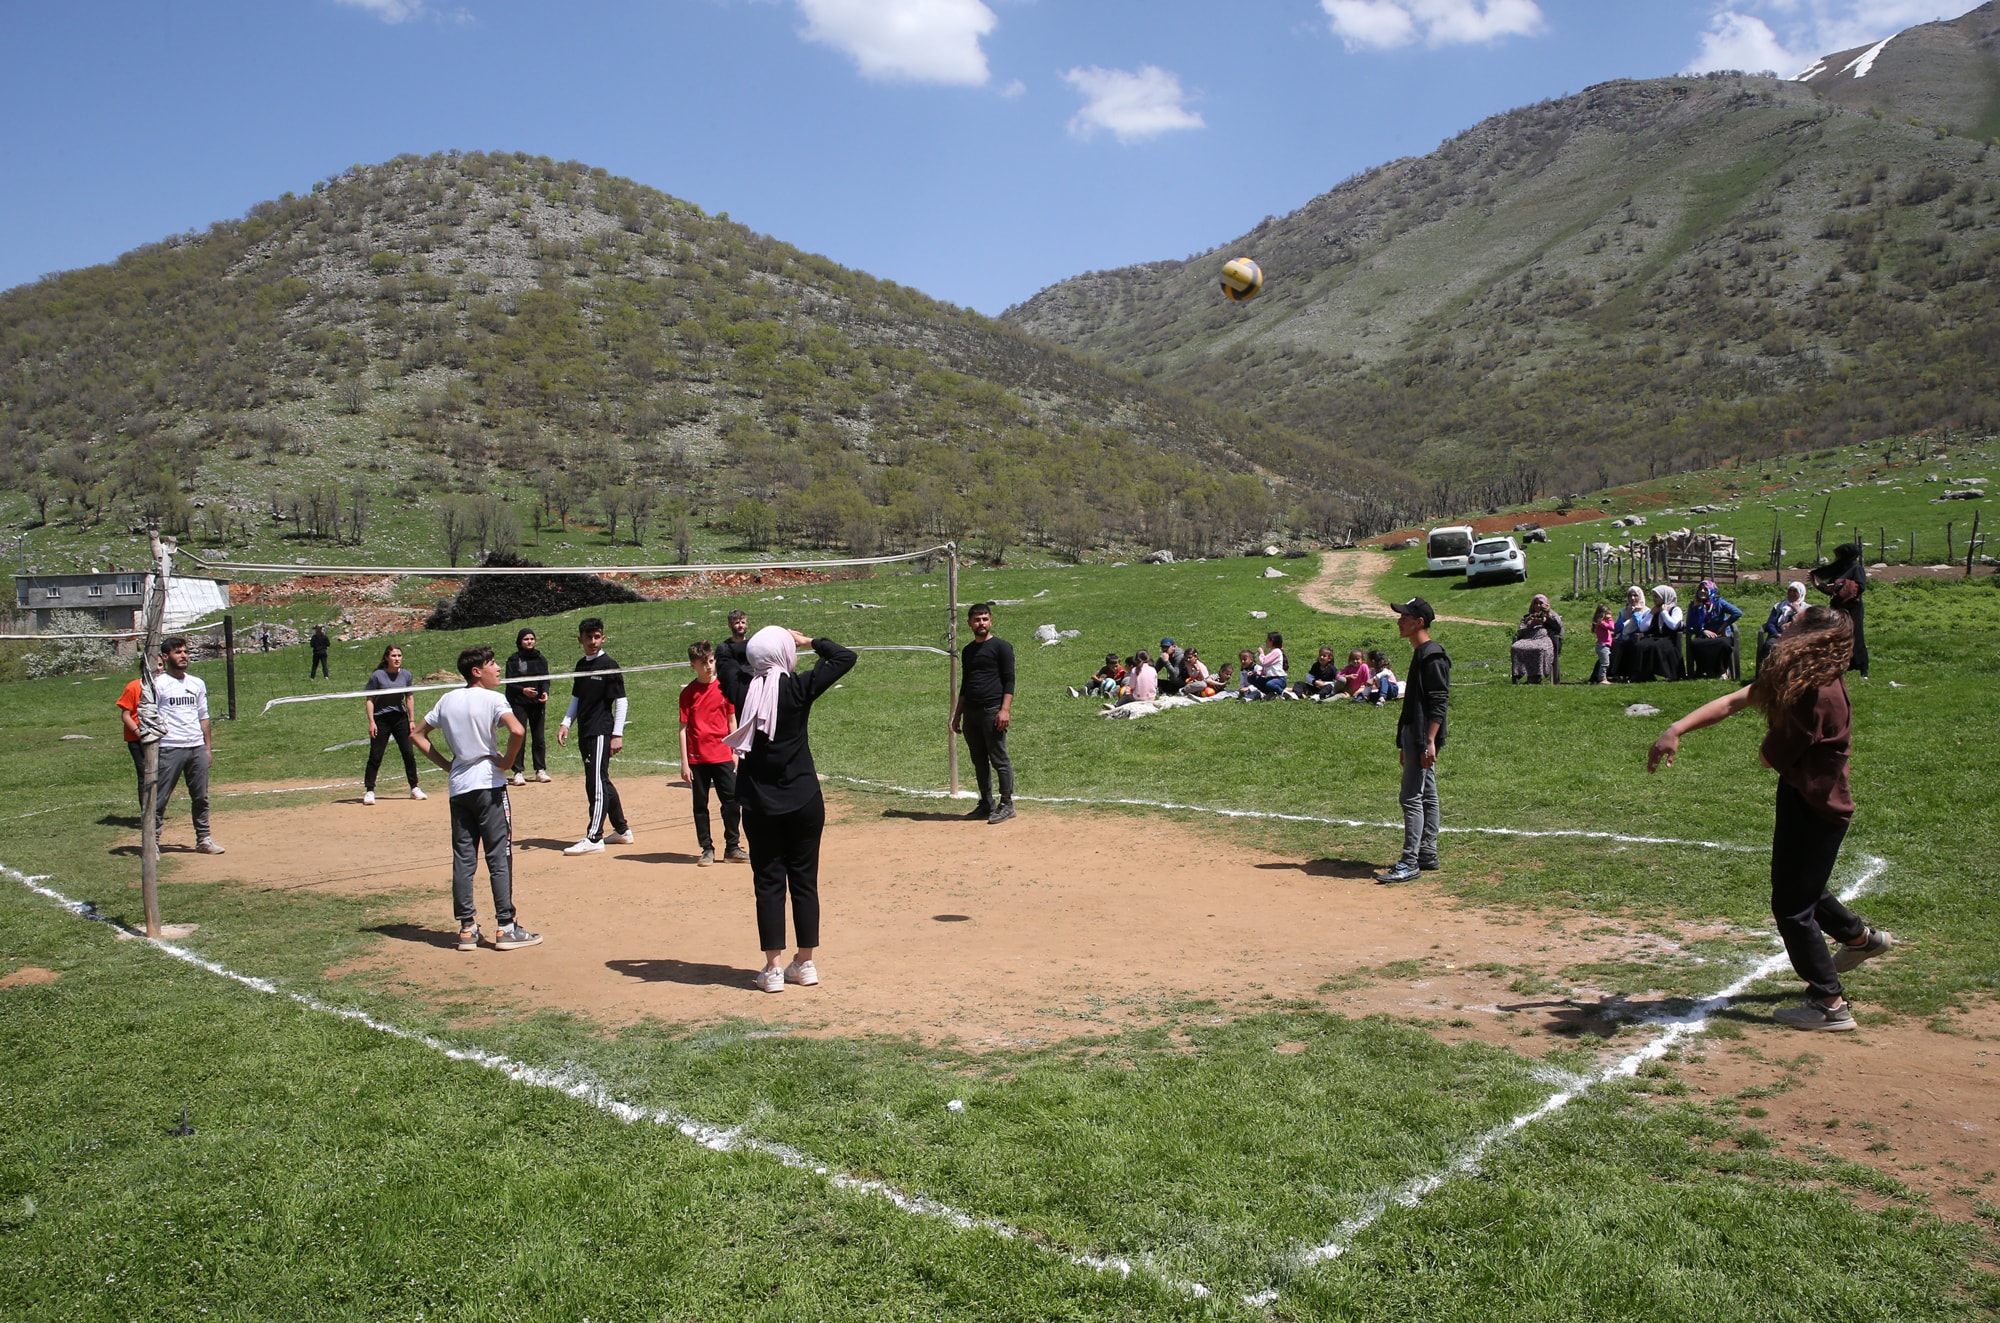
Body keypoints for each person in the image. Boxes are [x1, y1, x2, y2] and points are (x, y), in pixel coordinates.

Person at [1647, 606, 1890, 1030]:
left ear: (1811, 639)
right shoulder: (1804, 678)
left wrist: (1775, 726)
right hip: (1803, 800)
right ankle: (1859, 939)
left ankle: (1830, 1004)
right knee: (1800, 889)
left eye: (1795, 622)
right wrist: (1676, 728)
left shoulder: (1813, 695)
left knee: (1793, 906)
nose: (1787, 625)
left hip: (1819, 810)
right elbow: (1736, 698)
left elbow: (1766, 758)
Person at [727, 626, 856, 993]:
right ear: (785, 653)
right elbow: (845, 656)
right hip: (803, 800)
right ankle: (806, 962)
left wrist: (748, 651)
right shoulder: (799, 688)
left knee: (768, 883)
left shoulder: (741, 689)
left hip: (758, 803)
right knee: (804, 881)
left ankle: (772, 969)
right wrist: (809, 641)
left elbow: (724, 658)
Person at [412, 644, 539, 953]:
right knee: (499, 855)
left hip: (459, 789)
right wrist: (508, 761)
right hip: (488, 786)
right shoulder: (494, 698)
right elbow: (518, 730)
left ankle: (467, 929)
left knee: (464, 858)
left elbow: (416, 734)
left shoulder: (446, 699)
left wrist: (448, 765)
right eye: (492, 664)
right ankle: (506, 927)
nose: (497, 669)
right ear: (476, 671)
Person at [1377, 598, 1449, 884]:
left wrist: (1428, 741)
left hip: (1422, 735)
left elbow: (1439, 702)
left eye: (1405, 617)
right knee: (1427, 794)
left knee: (1411, 797)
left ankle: (1410, 862)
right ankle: (1427, 853)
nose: (1399, 621)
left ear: (1420, 622)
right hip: (1415, 734)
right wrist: (1403, 742)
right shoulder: (1420, 653)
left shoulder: (1433, 656)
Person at [556, 617, 633, 855]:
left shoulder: (609, 664)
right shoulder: (581, 665)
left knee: (595, 781)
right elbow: (577, 698)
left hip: (601, 730)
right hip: (585, 730)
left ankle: (594, 836)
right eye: (588, 637)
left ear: (603, 638)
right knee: (601, 779)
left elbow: (621, 701)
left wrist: (617, 734)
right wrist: (566, 722)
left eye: (597, 636)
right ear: (580, 639)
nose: (592, 641)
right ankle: (621, 830)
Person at [151, 635, 224, 855]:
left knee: (201, 796)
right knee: (160, 797)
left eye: (185, 652)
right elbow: (149, 716)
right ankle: (152, 841)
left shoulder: (196, 683)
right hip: (169, 747)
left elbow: (204, 716)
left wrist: (207, 748)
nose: (183, 656)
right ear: (165, 656)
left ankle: (203, 839)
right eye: (177, 652)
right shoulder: (158, 685)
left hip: (195, 747)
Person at [949, 603, 1017, 824]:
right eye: (977, 620)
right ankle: (986, 802)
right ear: (969, 623)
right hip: (972, 712)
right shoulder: (968, 651)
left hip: (992, 711)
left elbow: (1009, 680)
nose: (981, 623)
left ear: (991, 621)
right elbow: (966, 684)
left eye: (985, 619)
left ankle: (1007, 804)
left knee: (999, 758)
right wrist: (957, 714)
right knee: (978, 759)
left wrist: (1004, 709)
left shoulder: (1001, 647)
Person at [679, 640, 744, 866]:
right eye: (702, 663)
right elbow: (683, 729)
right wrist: (685, 763)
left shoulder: (725, 688)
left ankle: (732, 847)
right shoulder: (688, 694)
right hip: (698, 758)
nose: (708, 667)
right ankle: (706, 848)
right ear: (692, 666)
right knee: (700, 804)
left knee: (733, 802)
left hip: (723, 755)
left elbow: (731, 720)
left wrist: (735, 750)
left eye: (710, 661)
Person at [362, 644, 426, 805]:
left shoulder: (406, 675)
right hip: (381, 719)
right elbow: (369, 700)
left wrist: (411, 720)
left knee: (408, 754)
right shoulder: (377, 676)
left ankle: (414, 788)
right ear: (386, 658)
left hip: (399, 718)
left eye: (399, 656)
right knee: (376, 755)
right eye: (394, 656)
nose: (397, 659)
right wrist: (372, 722)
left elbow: (409, 698)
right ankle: (369, 790)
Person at [1812, 542, 1869, 678]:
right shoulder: (1840, 568)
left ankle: (1863, 668)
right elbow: (1831, 591)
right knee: (1837, 635)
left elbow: (1860, 587)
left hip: (1853, 608)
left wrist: (1840, 585)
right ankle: (1841, 665)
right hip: (1838, 607)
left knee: (1856, 635)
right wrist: (1818, 585)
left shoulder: (1856, 569)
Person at [504, 628, 552, 785]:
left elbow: (545, 679)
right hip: (519, 703)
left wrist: (544, 692)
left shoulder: (540, 659)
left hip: (537, 703)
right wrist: (523, 690)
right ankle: (517, 772)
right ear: (520, 642)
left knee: (539, 737)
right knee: (520, 737)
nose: (530, 641)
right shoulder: (513, 659)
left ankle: (540, 770)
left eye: (532, 638)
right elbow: (509, 682)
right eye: (526, 639)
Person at [1685, 579, 1743, 680]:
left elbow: (1737, 612)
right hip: (1704, 635)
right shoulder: (1694, 605)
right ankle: (1704, 670)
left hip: (1721, 634)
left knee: (1723, 643)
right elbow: (1690, 624)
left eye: (1705, 589)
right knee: (1695, 643)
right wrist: (1702, 630)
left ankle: (1723, 670)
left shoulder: (1718, 602)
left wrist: (1724, 626)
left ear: (1711, 590)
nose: (1702, 591)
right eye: (1700, 589)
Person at [1624, 585, 1684, 683]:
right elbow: (1643, 627)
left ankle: (1668, 674)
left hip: (1670, 638)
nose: (1654, 599)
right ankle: (1641, 674)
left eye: (1657, 597)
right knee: (1640, 645)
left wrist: (1664, 613)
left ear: (1664, 597)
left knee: (1656, 646)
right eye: (1654, 597)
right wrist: (1651, 613)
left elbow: (1674, 625)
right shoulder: (1655, 609)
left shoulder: (1675, 610)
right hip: (1657, 637)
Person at [1510, 594, 1563, 684]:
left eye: (1540, 603)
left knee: (1540, 649)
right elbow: (1520, 632)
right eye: (1536, 603)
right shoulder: (1527, 617)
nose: (1538, 606)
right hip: (1528, 639)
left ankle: (1536, 677)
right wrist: (1531, 624)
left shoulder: (1551, 615)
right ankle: (1521, 674)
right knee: (1516, 647)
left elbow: (1559, 627)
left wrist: (1548, 615)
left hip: (1544, 639)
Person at [1758, 581, 1808, 675]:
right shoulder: (1779, 606)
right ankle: (1769, 674)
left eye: (1795, 591)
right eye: (1790, 591)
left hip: (1797, 636)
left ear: (1801, 593)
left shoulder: (1807, 609)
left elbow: (1807, 624)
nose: (1791, 593)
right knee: (1771, 645)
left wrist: (1798, 610)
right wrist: (1777, 634)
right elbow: (1770, 623)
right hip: (1778, 635)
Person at [116, 674, 147, 808]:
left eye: (160, 665)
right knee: (145, 774)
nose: (158, 668)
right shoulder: (133, 686)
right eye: (156, 665)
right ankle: (147, 812)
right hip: (136, 738)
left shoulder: (164, 685)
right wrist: (139, 734)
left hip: (159, 737)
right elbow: (125, 716)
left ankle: (157, 810)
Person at [1608, 585, 1651, 680]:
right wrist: (1625, 617)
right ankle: (1613, 673)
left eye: (1635, 595)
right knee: (1614, 644)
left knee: (1629, 645)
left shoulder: (1647, 611)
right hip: (1623, 637)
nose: (1632, 598)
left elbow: (1642, 627)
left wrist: (1636, 614)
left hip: (1637, 638)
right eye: (1630, 596)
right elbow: (1616, 629)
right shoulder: (1624, 611)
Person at [717, 609, 751, 711]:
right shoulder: (724, 648)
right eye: (737, 623)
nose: (741, 625)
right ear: (730, 625)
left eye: (743, 622)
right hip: (733, 689)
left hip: (752, 687)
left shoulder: (753, 645)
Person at [1588, 603, 1616, 684]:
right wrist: (1610, 619)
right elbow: (1612, 627)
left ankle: (1602, 677)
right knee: (1605, 663)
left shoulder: (1601, 623)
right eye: (1607, 614)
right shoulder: (1602, 623)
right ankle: (1602, 679)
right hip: (1603, 646)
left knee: (1604, 662)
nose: (1609, 615)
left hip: (1603, 646)